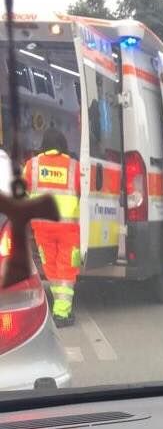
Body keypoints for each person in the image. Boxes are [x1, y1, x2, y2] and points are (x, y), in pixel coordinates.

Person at [24, 128, 81, 327]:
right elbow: (85, 194)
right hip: (68, 230)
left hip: (42, 227)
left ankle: (59, 307)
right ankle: (62, 313)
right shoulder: (74, 167)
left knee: (50, 266)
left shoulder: (32, 165)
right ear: (63, 145)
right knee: (66, 267)